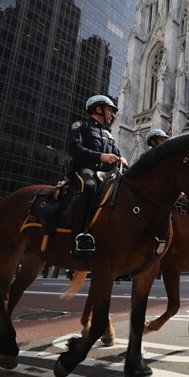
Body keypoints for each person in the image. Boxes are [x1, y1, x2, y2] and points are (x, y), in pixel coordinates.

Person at [67, 95, 128, 257]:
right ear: (98, 109)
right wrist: (100, 156)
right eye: (110, 110)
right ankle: (78, 237)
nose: (112, 115)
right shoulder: (82, 126)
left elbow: (115, 154)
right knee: (89, 186)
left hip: (105, 174)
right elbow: (74, 149)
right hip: (83, 170)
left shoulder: (108, 135)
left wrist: (120, 158)